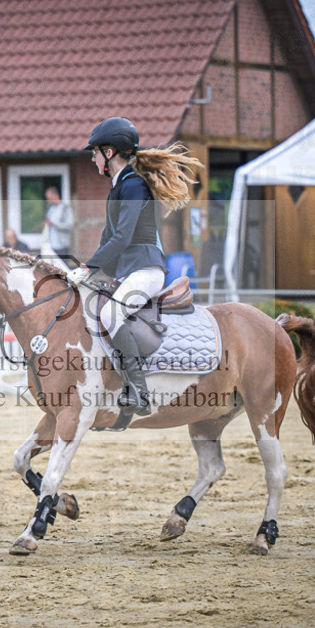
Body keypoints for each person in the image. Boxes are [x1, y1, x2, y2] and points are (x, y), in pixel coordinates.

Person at [67, 117, 204, 416]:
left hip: (147, 270)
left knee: (110, 313)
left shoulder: (133, 186)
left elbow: (122, 236)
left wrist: (88, 268)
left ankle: (139, 392)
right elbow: (108, 238)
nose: (91, 157)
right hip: (130, 271)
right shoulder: (120, 187)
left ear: (110, 152)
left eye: (95, 152)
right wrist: (87, 272)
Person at [43, 185, 73, 264]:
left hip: (62, 246)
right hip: (51, 246)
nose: (49, 200)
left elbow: (69, 225)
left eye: (50, 198)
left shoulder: (65, 208)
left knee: (62, 270)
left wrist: (54, 224)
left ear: (56, 195)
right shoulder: (51, 209)